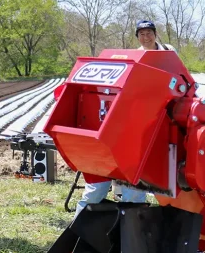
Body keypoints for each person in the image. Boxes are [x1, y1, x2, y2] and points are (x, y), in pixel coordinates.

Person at [74, 20, 172, 213]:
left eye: (149, 33)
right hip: (142, 114)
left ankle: (138, 212)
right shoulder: (135, 57)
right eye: (142, 34)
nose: (146, 37)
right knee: (122, 178)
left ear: (155, 34)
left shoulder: (168, 53)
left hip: (163, 112)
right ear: (138, 37)